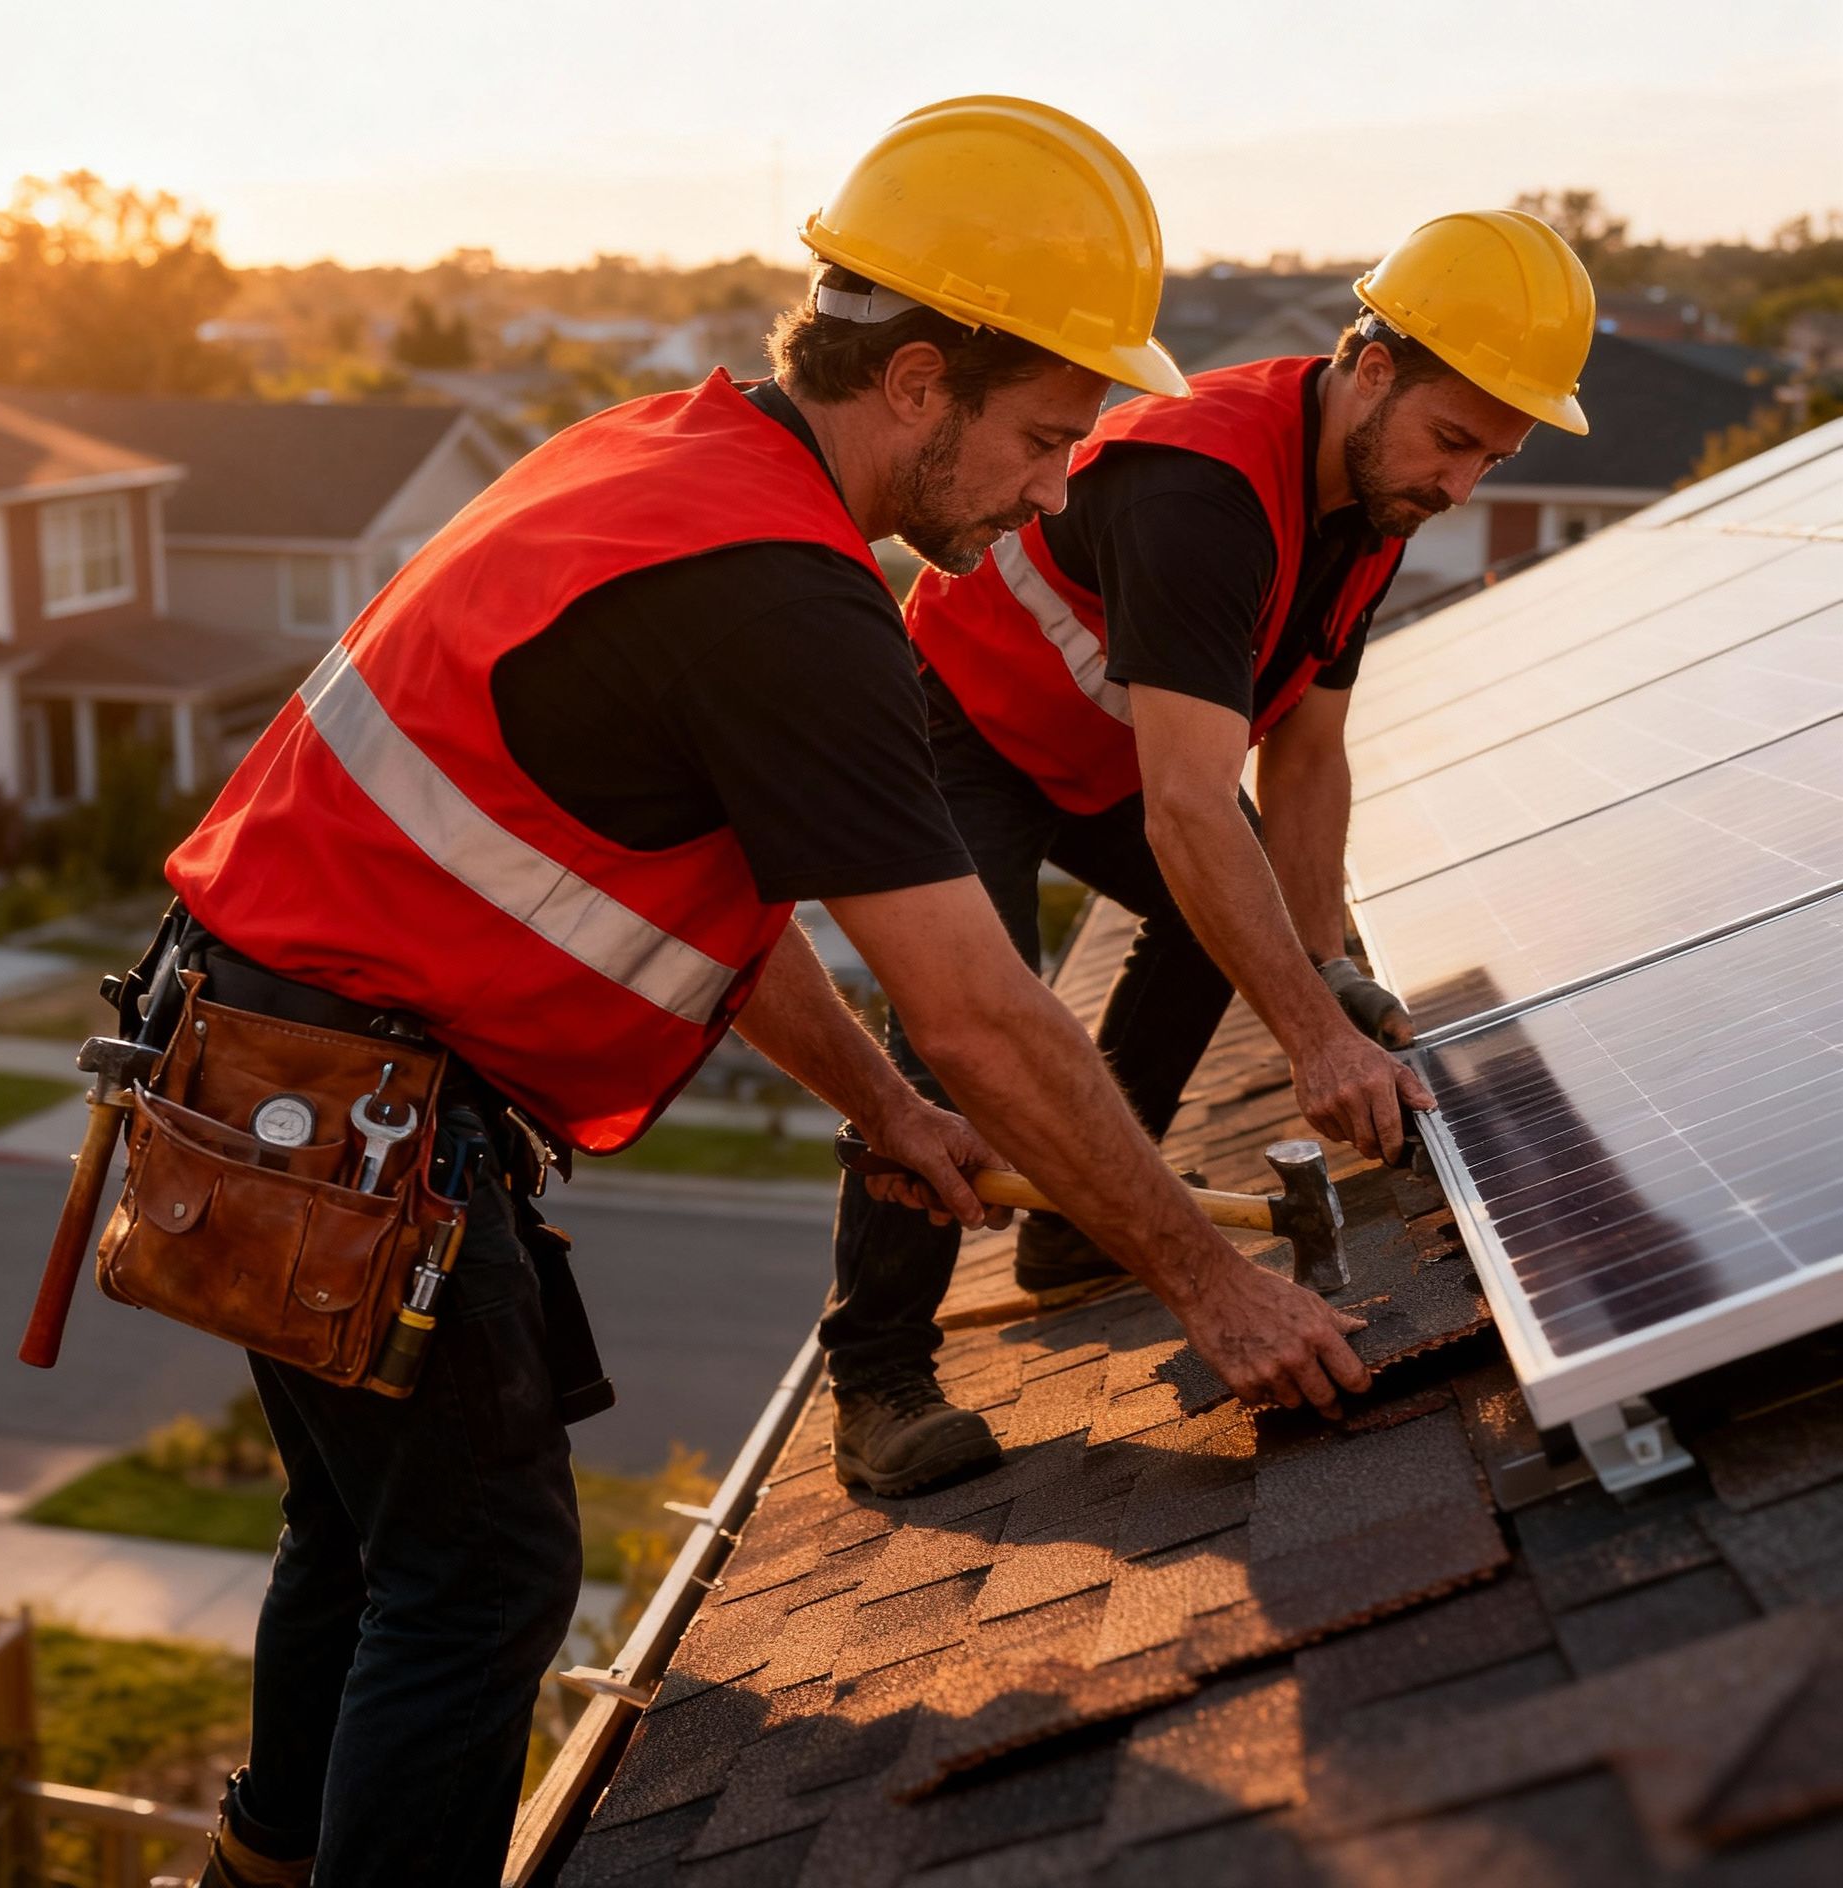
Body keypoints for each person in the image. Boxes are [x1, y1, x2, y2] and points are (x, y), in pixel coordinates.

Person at [148, 98, 1373, 1888]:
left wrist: (884, 1114)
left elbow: (710, 909)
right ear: (918, 381)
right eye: (1042, 436)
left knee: (360, 1542)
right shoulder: (784, 598)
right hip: (339, 1107)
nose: (1057, 492)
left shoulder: (670, 457)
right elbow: (974, 1003)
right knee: (482, 1579)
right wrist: (1215, 1288)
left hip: (254, 1068)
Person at [823, 209, 1597, 1481]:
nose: (1460, 487)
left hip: (1098, 745)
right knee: (968, 1020)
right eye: (1455, 443)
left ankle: (1079, 1225)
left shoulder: (1373, 504)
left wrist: (1325, 962)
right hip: (961, 722)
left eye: (1492, 463)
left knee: (1229, 923)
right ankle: (878, 1377)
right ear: (1375, 365)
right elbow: (1190, 806)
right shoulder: (1205, 488)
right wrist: (1310, 1037)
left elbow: (1307, 755)